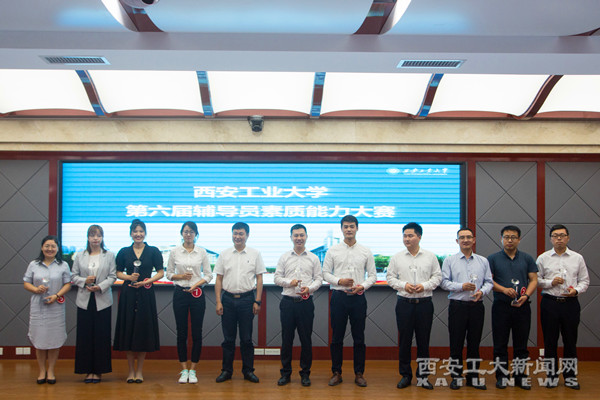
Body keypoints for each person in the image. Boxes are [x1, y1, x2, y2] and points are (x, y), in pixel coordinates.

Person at [386, 222, 442, 390]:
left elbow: (437, 277)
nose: (407, 239)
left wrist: (424, 286)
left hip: (424, 304)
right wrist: (404, 285)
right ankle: (405, 375)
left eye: (410, 235)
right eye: (404, 236)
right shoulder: (397, 257)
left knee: (423, 341)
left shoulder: (430, 256)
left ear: (419, 237)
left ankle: (423, 376)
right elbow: (390, 278)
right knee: (404, 341)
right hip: (404, 303)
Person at [323, 215, 376, 387]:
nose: (349, 229)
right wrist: (339, 281)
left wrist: (362, 286)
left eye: (352, 226)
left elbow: (373, 276)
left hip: (358, 298)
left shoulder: (365, 251)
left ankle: (359, 373)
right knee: (336, 337)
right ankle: (336, 372)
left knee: (359, 337)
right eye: (345, 226)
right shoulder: (333, 250)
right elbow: (325, 273)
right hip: (338, 297)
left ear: (357, 228)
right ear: (341, 229)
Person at [536, 224, 589, 390]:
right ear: (551, 239)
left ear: (568, 238)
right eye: (555, 235)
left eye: (562, 235)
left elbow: (585, 281)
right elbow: (536, 280)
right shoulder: (543, 258)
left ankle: (570, 376)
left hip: (570, 304)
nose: (559, 238)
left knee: (570, 341)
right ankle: (551, 376)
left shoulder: (577, 258)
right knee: (550, 341)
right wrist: (550, 282)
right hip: (550, 303)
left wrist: (576, 291)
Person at [440, 228, 493, 390]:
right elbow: (444, 283)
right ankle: (456, 377)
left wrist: (482, 292)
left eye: (468, 237)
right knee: (456, 344)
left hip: (477, 306)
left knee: (474, 344)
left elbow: (489, 282)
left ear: (474, 240)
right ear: (457, 241)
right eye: (462, 237)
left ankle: (473, 377)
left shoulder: (483, 261)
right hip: (458, 306)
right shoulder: (449, 260)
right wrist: (461, 286)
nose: (465, 240)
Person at [113, 219, 164, 383]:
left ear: (145, 233)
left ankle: (139, 371)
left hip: (146, 294)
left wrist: (147, 281)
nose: (138, 234)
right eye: (135, 231)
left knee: (143, 331)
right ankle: (130, 371)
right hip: (128, 294)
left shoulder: (153, 251)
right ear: (131, 233)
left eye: (141, 231)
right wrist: (129, 277)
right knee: (128, 330)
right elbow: (117, 272)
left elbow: (161, 272)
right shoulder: (124, 252)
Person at [214, 222, 266, 383]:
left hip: (247, 300)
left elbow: (259, 278)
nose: (238, 236)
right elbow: (218, 279)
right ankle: (226, 371)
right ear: (232, 234)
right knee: (228, 339)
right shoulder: (224, 254)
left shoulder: (255, 254)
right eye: (235, 233)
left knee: (246, 339)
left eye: (241, 233)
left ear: (247, 235)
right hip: (227, 300)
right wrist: (218, 301)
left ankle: (248, 371)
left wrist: (257, 301)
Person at [488, 225, 537, 390]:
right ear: (501, 239)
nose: (510, 240)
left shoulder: (527, 258)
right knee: (500, 344)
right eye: (506, 237)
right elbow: (488, 281)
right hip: (501, 306)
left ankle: (520, 376)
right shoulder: (493, 259)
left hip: (522, 306)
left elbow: (533, 280)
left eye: (513, 237)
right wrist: (503, 289)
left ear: (519, 239)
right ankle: (501, 376)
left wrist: (526, 295)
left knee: (521, 345)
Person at [274, 224, 323, 387]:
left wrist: (310, 288)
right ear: (291, 238)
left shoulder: (313, 258)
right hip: (288, 303)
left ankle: (305, 373)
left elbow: (319, 279)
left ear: (306, 237)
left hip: (305, 303)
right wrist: (290, 282)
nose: (299, 238)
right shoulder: (284, 257)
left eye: (302, 235)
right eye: (296, 235)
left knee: (306, 339)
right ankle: (285, 373)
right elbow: (277, 278)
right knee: (286, 340)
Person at [166, 221, 213, 384]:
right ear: (182, 233)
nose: (188, 234)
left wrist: (196, 284)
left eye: (191, 232)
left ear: (196, 234)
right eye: (186, 231)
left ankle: (193, 369)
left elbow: (209, 275)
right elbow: (168, 274)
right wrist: (180, 277)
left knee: (197, 332)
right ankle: (183, 369)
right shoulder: (174, 251)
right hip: (180, 293)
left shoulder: (202, 252)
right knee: (181, 332)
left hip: (197, 293)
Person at [23, 235, 71, 384]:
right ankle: (41, 371)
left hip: (56, 307)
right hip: (38, 307)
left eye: (53, 246)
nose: (50, 249)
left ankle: (51, 371)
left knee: (54, 340)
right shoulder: (34, 264)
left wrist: (56, 295)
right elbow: (26, 283)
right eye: (47, 246)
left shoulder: (63, 265)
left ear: (57, 249)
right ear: (42, 247)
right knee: (40, 339)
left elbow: (68, 284)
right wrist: (36, 289)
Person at [71, 225, 117, 383]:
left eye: (98, 235)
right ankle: (87, 371)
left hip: (102, 300)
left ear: (102, 238)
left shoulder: (109, 255)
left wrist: (100, 286)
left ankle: (98, 371)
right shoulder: (80, 255)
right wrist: (85, 281)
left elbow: (112, 276)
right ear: (88, 237)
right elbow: (73, 276)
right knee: (85, 336)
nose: (95, 238)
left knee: (101, 336)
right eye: (92, 235)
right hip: (84, 300)